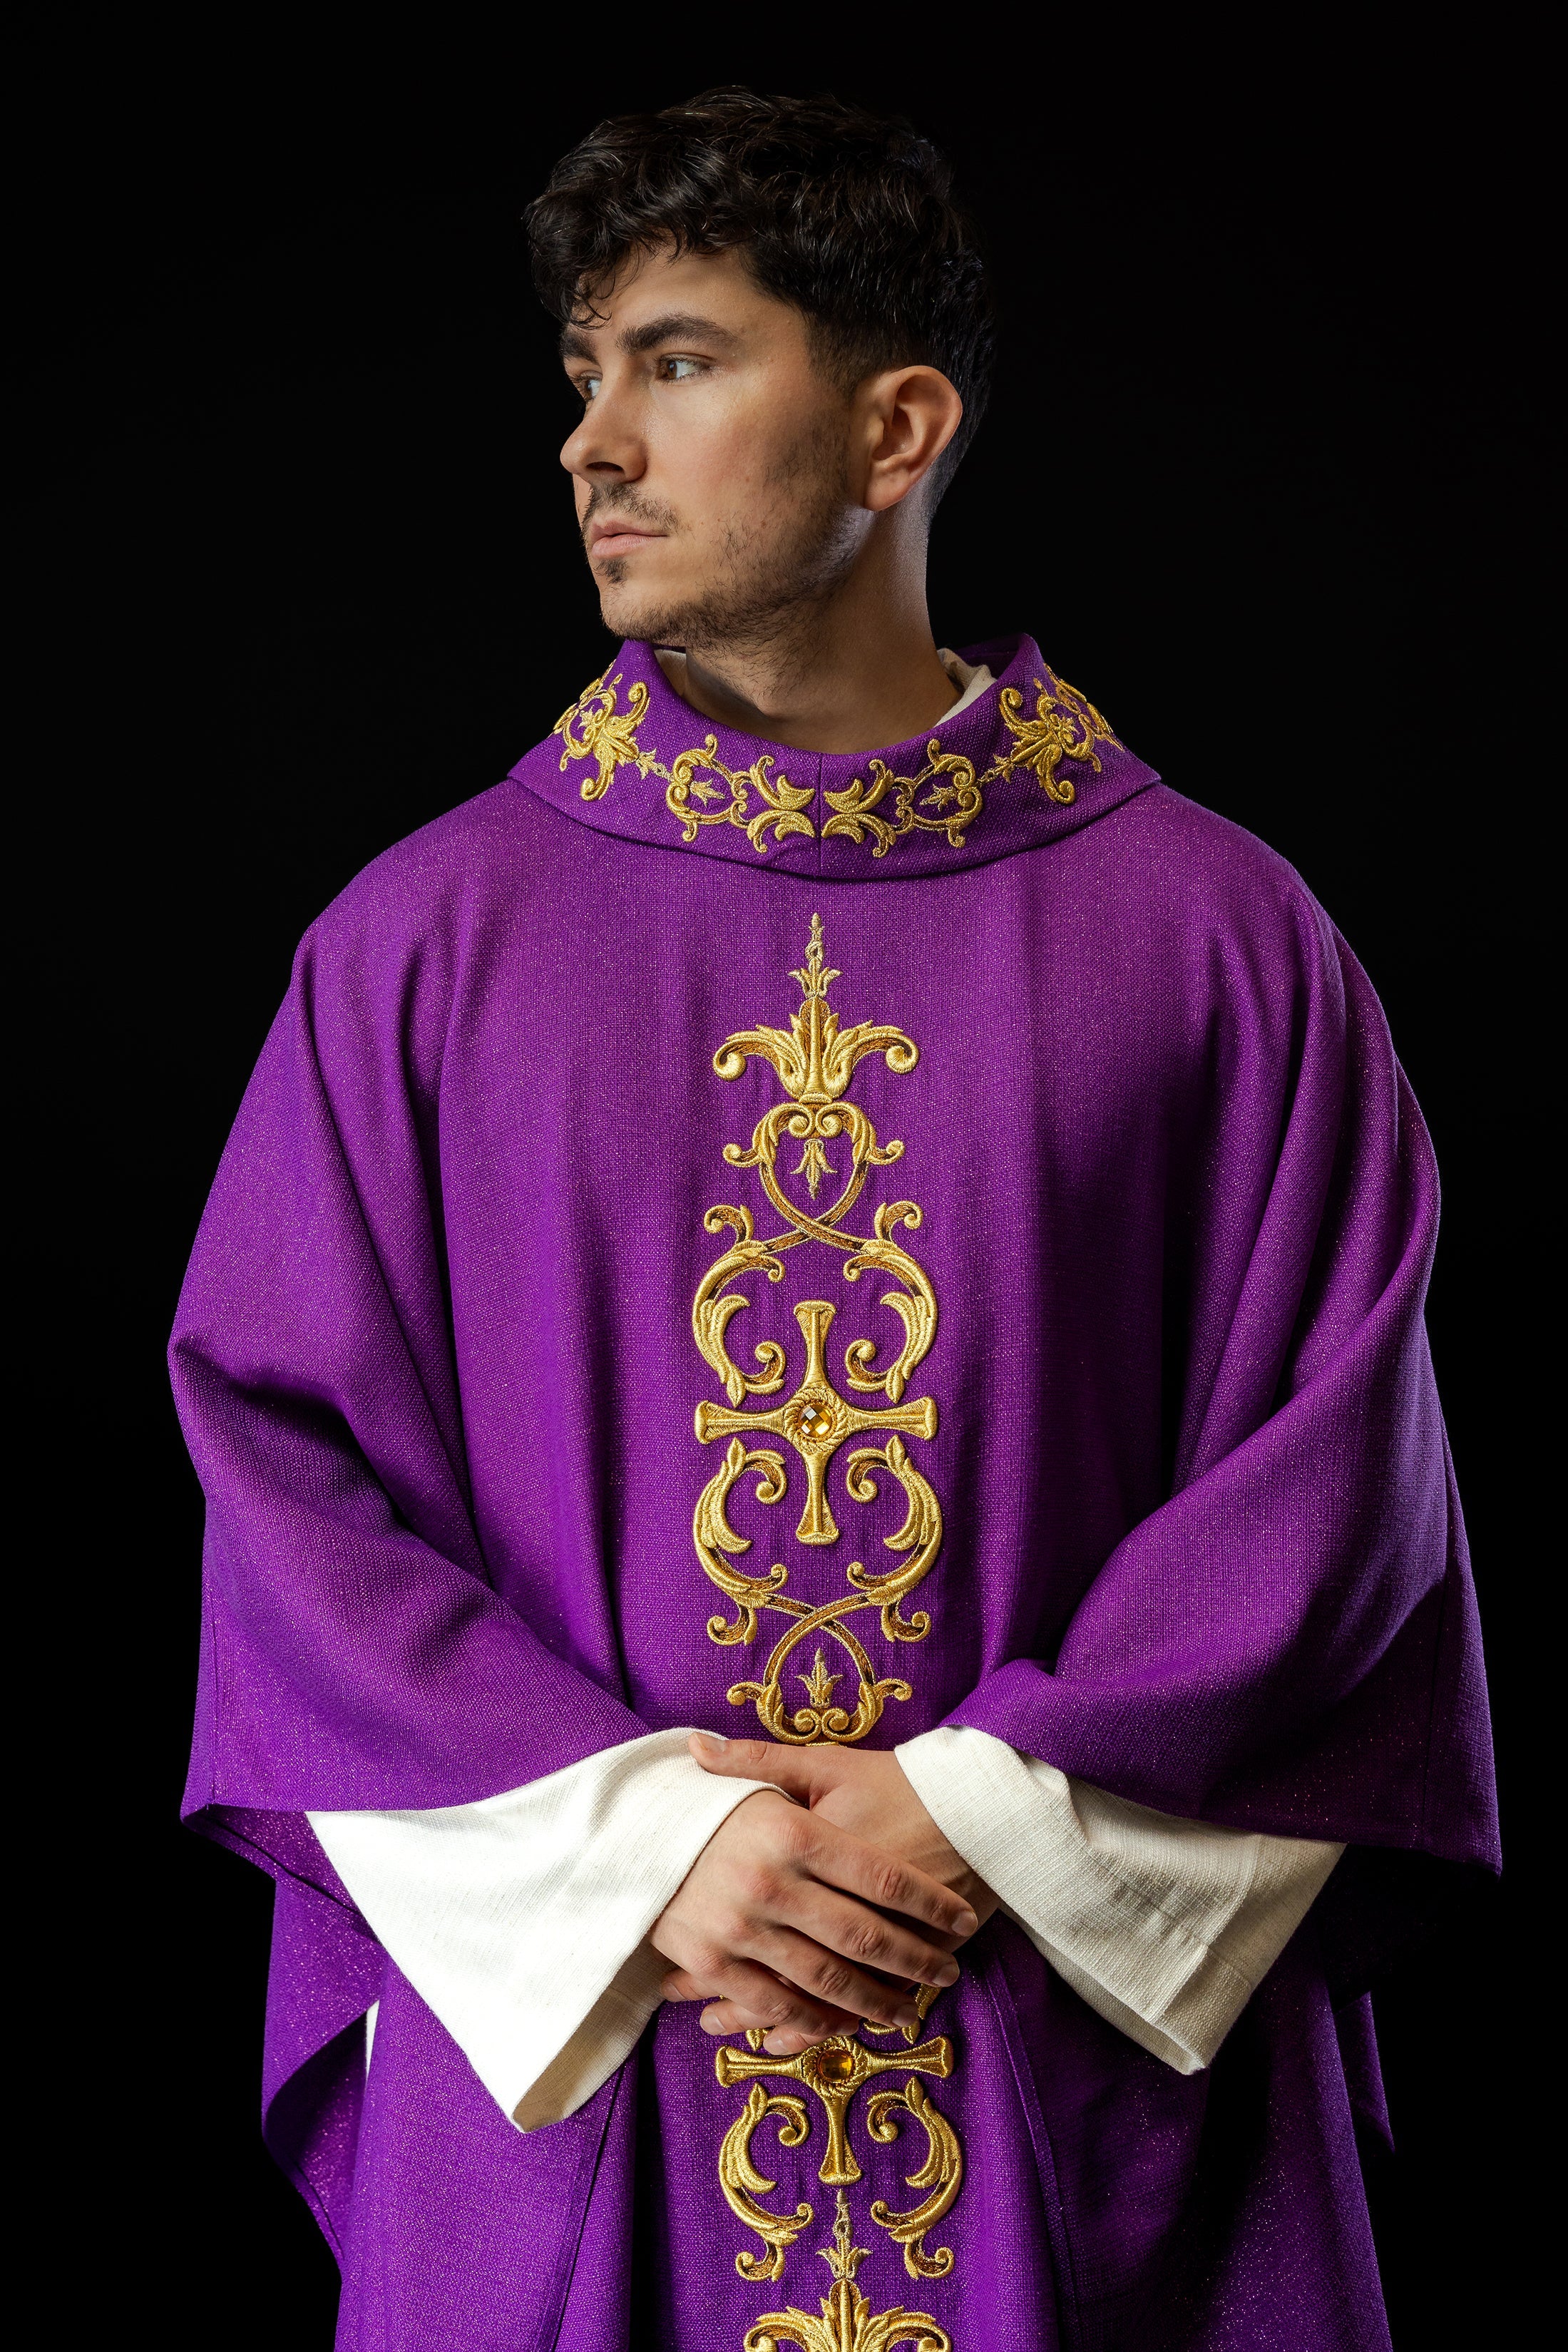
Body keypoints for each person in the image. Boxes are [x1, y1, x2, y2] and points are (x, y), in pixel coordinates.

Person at [170, 88, 1497, 2351]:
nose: (595, 441)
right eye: (581, 376)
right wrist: (662, 1850)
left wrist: (969, 1816)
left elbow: (1332, 1495)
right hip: (606, 2062)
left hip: (1065, 2070)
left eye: (678, 362)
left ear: (896, 427)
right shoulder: (419, 951)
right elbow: (292, 1496)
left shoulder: (1219, 942)